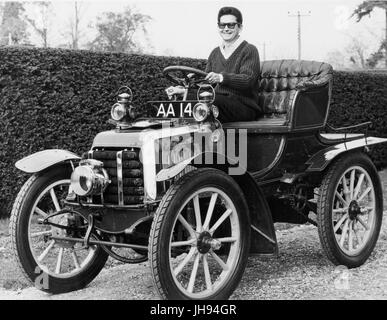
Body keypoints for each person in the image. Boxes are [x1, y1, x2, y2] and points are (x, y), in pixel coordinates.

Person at [167, 6, 262, 123]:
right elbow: (206, 84)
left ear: (240, 27)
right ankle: (187, 139)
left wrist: (221, 77)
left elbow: (247, 80)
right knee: (185, 99)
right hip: (218, 101)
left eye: (231, 25)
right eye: (222, 25)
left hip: (244, 107)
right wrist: (184, 90)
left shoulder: (249, 50)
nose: (226, 29)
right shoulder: (215, 53)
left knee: (207, 101)